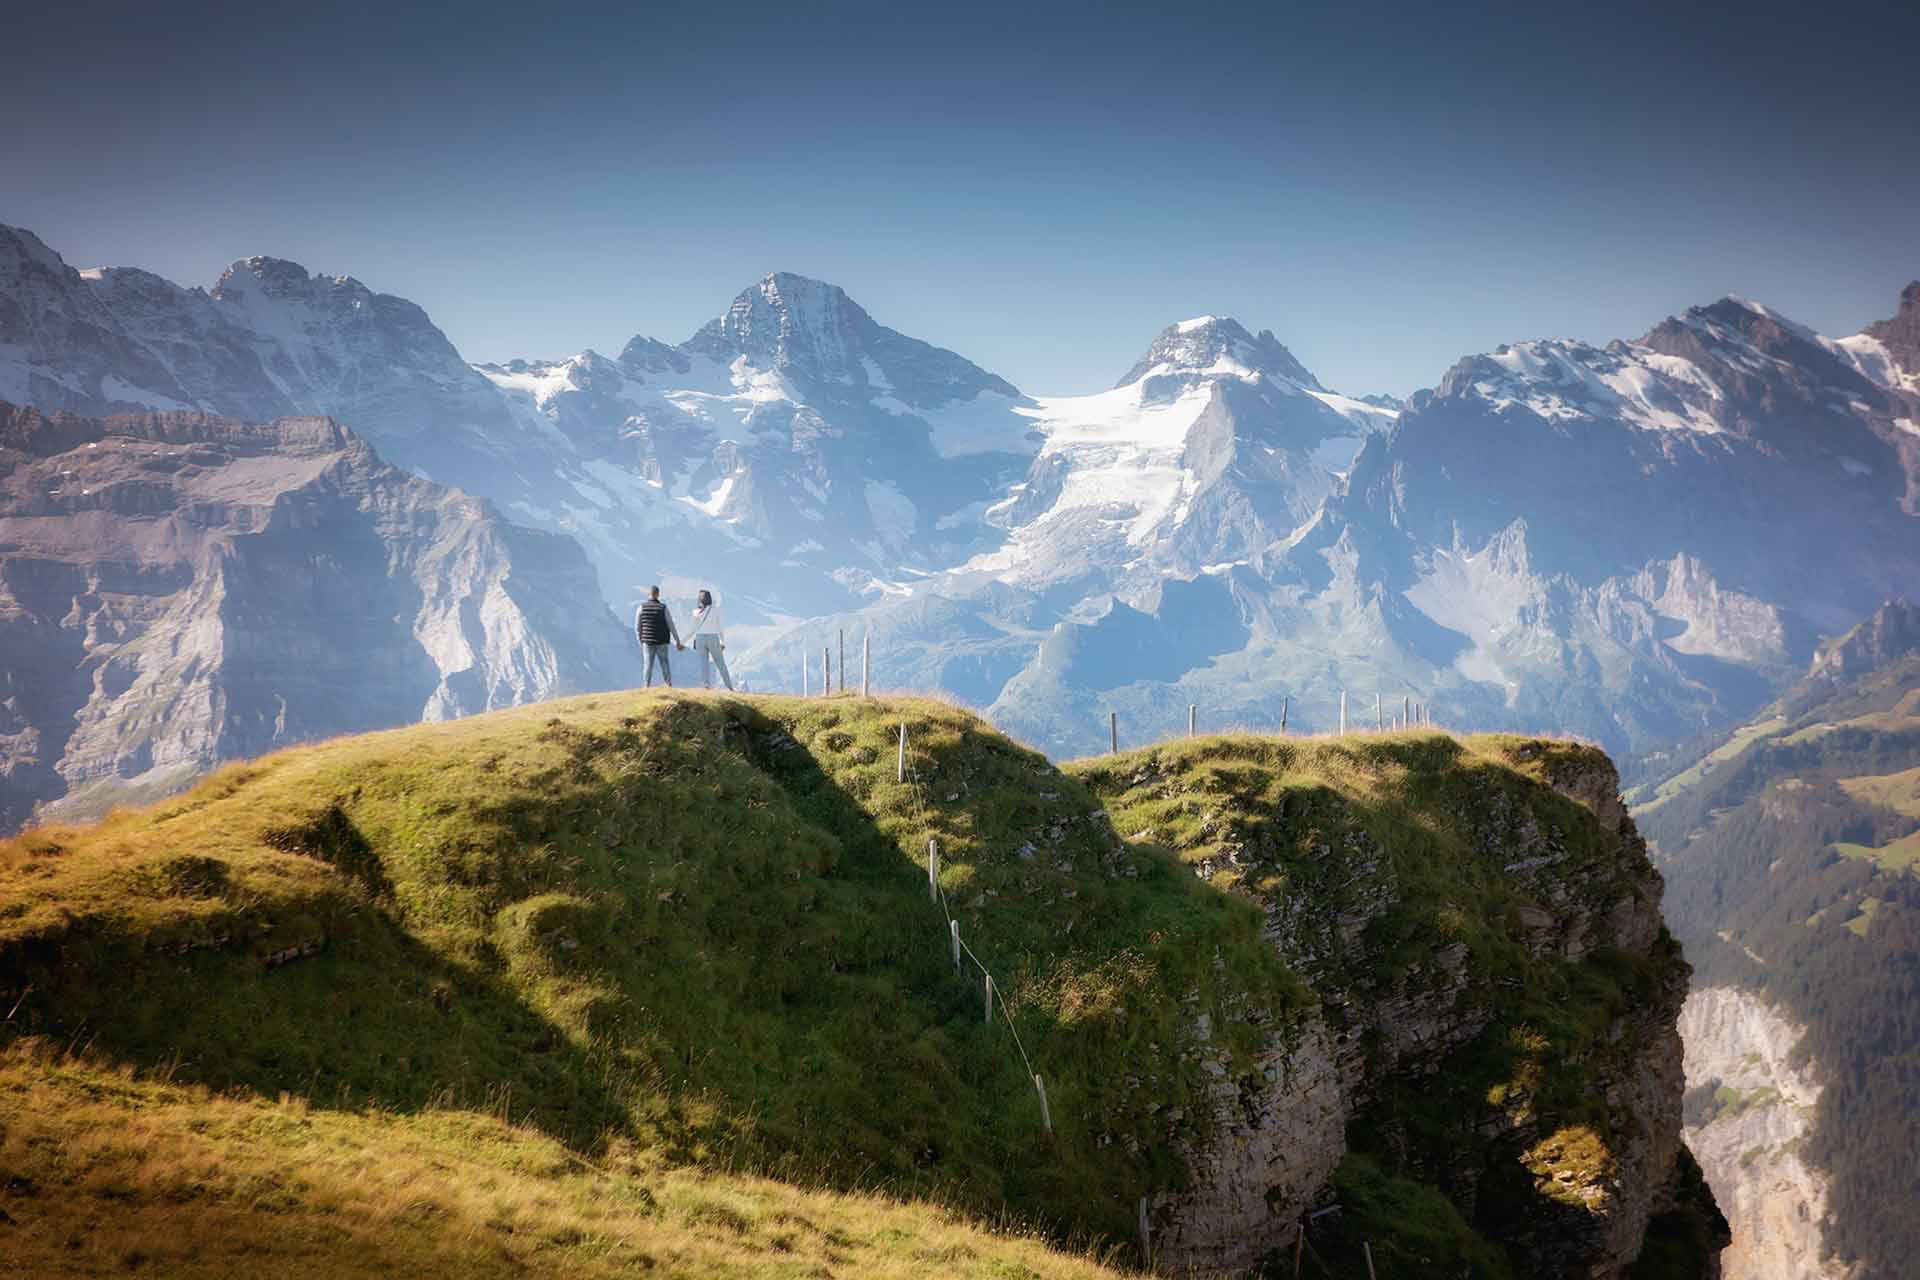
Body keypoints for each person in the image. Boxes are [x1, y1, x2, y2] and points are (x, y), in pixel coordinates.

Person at [684, 589, 735, 690]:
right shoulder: (716, 610)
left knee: (703, 664)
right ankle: (730, 687)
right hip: (713, 637)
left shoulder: (695, 612)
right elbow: (720, 627)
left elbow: (692, 629)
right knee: (720, 663)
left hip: (700, 638)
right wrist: (722, 641)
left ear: (699, 600)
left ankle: (706, 686)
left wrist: (682, 642)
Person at [634, 585, 683, 687]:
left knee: (647, 664)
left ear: (648, 594)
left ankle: (646, 685)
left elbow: (638, 626)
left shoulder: (641, 608)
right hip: (662, 641)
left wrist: (640, 640)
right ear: (658, 594)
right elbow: (671, 625)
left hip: (647, 641)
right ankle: (668, 684)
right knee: (664, 663)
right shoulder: (663, 608)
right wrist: (678, 641)